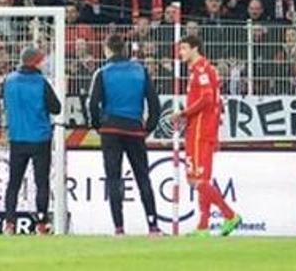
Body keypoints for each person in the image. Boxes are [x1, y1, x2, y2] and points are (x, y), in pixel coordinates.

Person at [86, 34, 161, 235]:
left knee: (114, 178)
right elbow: (154, 103)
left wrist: (97, 125)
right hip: (135, 129)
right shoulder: (140, 71)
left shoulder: (102, 72)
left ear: (106, 49)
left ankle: (119, 227)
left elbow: (92, 104)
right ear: (125, 49)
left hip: (111, 130)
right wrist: (148, 128)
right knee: (143, 177)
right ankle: (153, 224)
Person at [174, 34, 242, 237]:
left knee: (197, 180)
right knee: (201, 179)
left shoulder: (202, 69)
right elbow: (216, 102)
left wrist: (183, 114)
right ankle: (203, 226)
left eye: (184, 48)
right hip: (203, 129)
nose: (181, 52)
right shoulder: (203, 69)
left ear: (195, 48)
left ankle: (230, 215)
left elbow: (207, 98)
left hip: (200, 130)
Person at [2, 45, 62, 235]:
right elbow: (56, 108)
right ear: (36, 62)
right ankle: (41, 223)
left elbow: (6, 105)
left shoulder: (9, 81)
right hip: (39, 138)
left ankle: (10, 223)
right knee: (41, 182)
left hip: (17, 137)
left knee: (14, 182)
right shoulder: (41, 82)